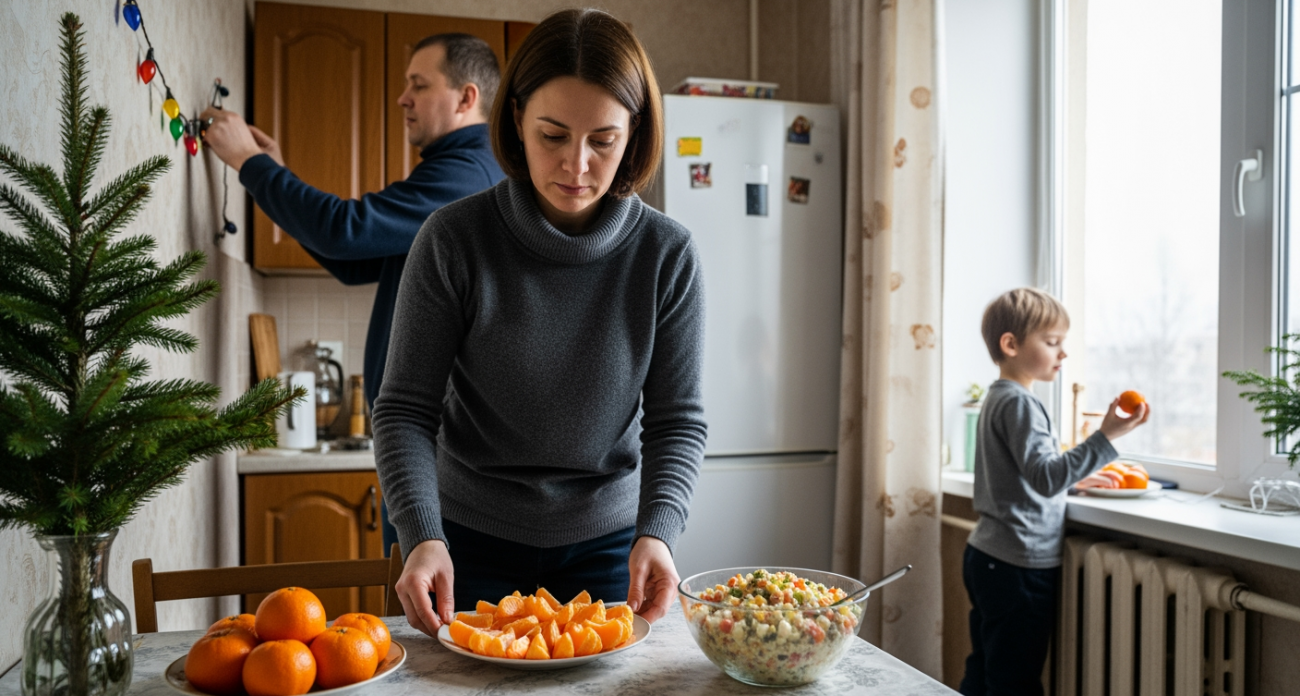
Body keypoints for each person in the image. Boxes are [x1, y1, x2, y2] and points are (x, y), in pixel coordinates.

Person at [372, 8, 706, 635]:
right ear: (516, 119)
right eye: (552, 135)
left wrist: (659, 529)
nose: (575, 167)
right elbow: (404, 411)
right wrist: (420, 534)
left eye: (602, 141)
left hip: (612, 551)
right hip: (463, 547)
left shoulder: (667, 255)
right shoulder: (453, 239)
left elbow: (676, 421)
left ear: (633, 135)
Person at [199, 33, 504, 412]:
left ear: (466, 98)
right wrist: (271, 172)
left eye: (419, 85)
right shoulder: (468, 170)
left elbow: (345, 230)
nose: (402, 97)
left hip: (437, 440)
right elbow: (352, 261)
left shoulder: (467, 175)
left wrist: (251, 163)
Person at [960, 288, 1150, 696]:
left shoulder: (997, 398)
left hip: (988, 555)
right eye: (1051, 343)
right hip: (1016, 565)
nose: (1062, 353)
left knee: (986, 666)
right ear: (1010, 344)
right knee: (1016, 680)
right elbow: (1046, 477)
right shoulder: (1021, 403)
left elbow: (1022, 475)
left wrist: (1074, 479)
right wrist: (1106, 436)